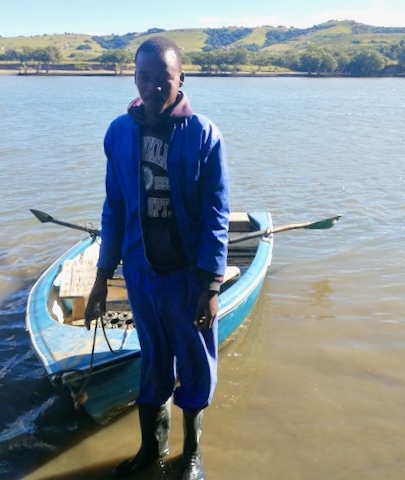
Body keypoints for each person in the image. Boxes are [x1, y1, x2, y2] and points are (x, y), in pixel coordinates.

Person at [84, 37, 229, 480]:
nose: (152, 88)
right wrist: (102, 277)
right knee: (153, 364)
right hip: (142, 276)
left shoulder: (203, 134)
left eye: (162, 79)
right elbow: (114, 208)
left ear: (180, 79)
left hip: (187, 279)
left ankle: (191, 456)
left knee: (196, 367)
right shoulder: (118, 132)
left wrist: (210, 285)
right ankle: (152, 450)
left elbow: (216, 214)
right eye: (143, 77)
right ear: (134, 78)